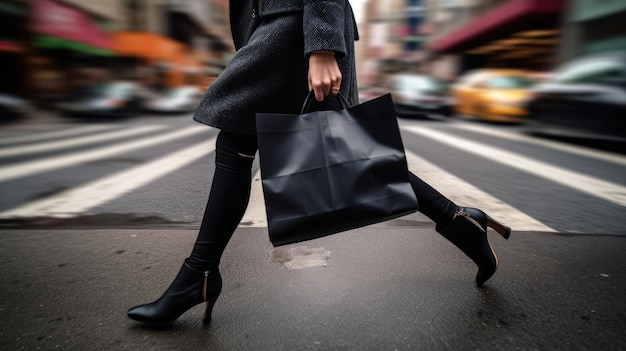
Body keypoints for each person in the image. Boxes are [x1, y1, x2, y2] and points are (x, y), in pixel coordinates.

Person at [127, 0, 511, 325]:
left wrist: (322, 45)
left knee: (240, 143)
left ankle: (199, 274)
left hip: (298, 23)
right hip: (280, 23)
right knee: (342, 151)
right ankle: (460, 221)